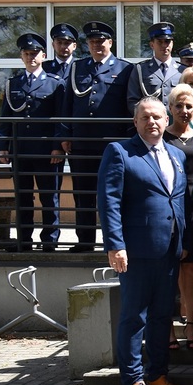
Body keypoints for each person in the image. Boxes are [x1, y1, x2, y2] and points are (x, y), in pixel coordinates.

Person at [98, 98, 188, 385]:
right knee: (134, 316)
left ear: (166, 120)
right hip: (135, 251)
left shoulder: (176, 154)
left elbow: (177, 200)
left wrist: (184, 241)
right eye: (145, 117)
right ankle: (132, 380)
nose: (152, 122)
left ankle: (157, 375)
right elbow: (109, 201)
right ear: (135, 122)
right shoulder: (121, 152)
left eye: (157, 117)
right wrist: (115, 244)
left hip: (170, 249)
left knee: (163, 316)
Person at [59, 20, 133, 252]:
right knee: (83, 194)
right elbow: (67, 104)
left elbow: (128, 105)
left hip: (112, 143)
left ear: (110, 43)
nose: (96, 45)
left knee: (114, 194)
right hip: (82, 142)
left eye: (101, 41)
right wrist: (65, 132)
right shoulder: (77, 67)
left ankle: (115, 242)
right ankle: (85, 241)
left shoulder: (125, 68)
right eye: (92, 42)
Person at [0, 32, 65, 252]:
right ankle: (24, 240)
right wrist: (2, 146)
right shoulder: (13, 84)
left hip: (46, 151)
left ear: (43, 55)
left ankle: (49, 241)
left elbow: (60, 117)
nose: (31, 57)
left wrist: (57, 145)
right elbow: (5, 117)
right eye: (27, 54)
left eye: (35, 53)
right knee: (23, 198)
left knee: (49, 198)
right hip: (21, 150)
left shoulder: (55, 83)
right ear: (21, 57)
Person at [164, 84, 193, 352]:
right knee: (167, 272)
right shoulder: (161, 137)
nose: (183, 110)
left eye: (188, 106)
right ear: (170, 108)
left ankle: (191, 324)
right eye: (178, 105)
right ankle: (167, 327)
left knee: (191, 270)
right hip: (168, 212)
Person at [126, 22, 182, 112]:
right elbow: (133, 101)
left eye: (167, 42)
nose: (164, 45)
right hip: (151, 123)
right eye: (160, 42)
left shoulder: (182, 70)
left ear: (172, 43)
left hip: (176, 124)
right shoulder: (140, 69)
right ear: (152, 45)